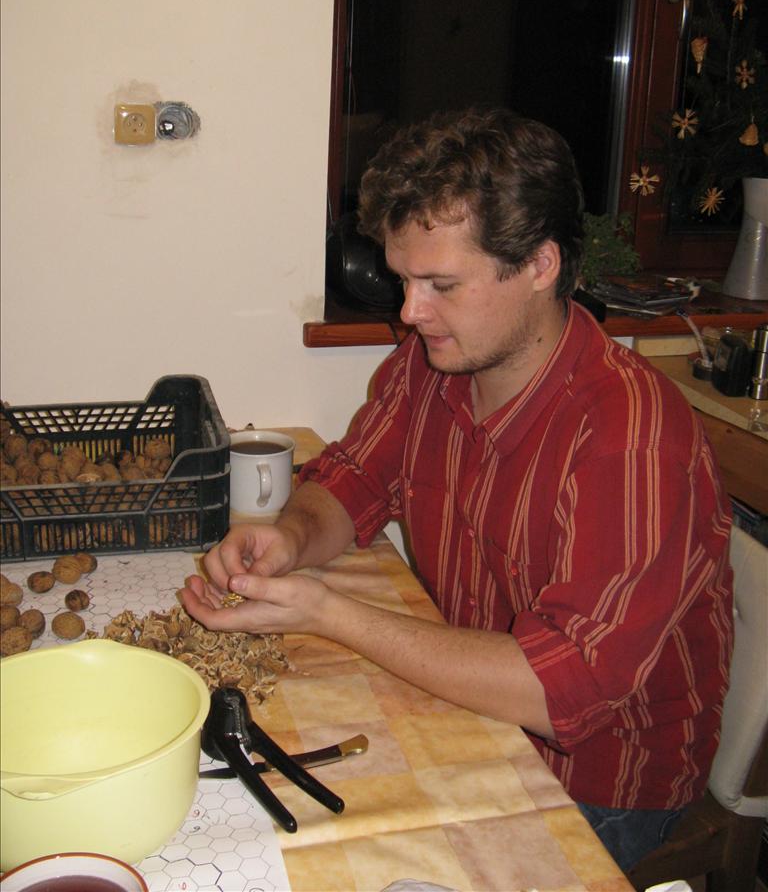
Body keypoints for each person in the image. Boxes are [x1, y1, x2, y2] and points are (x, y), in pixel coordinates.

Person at [180, 108, 733, 874]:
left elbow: (565, 690)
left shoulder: (631, 434)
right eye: (404, 281)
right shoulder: (432, 366)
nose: (411, 313)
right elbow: (353, 479)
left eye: (440, 284)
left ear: (540, 265)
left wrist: (331, 612)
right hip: (476, 709)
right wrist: (290, 538)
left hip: (600, 781)